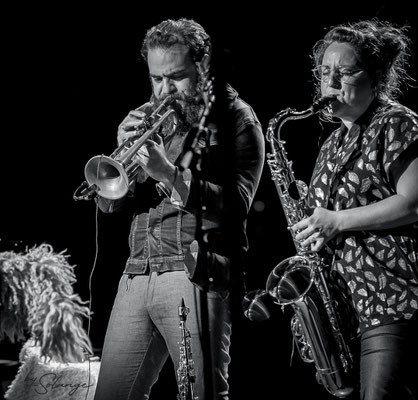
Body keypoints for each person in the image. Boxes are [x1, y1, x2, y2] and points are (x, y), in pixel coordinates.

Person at [92, 18, 265, 400]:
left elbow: (236, 206)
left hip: (194, 273)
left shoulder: (237, 118)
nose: (164, 91)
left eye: (176, 77)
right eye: (156, 79)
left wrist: (169, 175)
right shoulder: (147, 117)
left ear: (204, 68)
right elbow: (107, 204)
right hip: (137, 272)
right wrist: (121, 154)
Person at [291, 19, 418, 400]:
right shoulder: (332, 143)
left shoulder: (395, 122)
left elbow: (413, 201)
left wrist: (337, 219)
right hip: (345, 308)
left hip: (391, 298)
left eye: (344, 72)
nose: (330, 82)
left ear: (376, 78)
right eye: (325, 72)